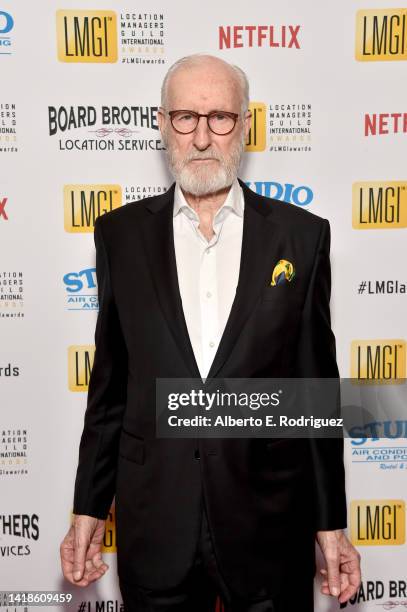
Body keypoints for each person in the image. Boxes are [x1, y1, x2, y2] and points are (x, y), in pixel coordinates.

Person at [60, 54, 361, 611]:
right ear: (161, 123)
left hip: (268, 527)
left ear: (245, 125)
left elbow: (314, 397)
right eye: (185, 118)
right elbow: (109, 394)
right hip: (156, 526)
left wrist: (331, 524)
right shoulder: (120, 237)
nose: (202, 136)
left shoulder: (301, 238)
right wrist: (88, 508)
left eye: (220, 117)